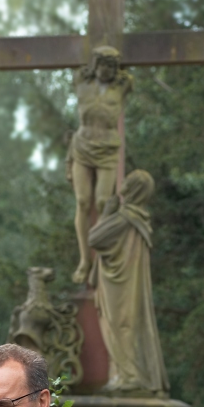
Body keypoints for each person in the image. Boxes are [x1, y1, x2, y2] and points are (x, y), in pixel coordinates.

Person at [88, 169, 170, 395]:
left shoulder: (125, 217)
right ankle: (128, 375)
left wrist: (106, 213)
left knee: (120, 326)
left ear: (132, 188)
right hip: (124, 281)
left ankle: (130, 376)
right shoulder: (140, 217)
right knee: (127, 325)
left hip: (118, 285)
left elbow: (94, 238)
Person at [68, 45, 133, 285]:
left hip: (107, 148)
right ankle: (85, 260)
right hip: (82, 146)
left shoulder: (123, 86)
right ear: (94, 65)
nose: (105, 70)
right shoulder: (81, 84)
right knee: (83, 201)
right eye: (102, 64)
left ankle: (104, 258)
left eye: (111, 65)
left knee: (104, 202)